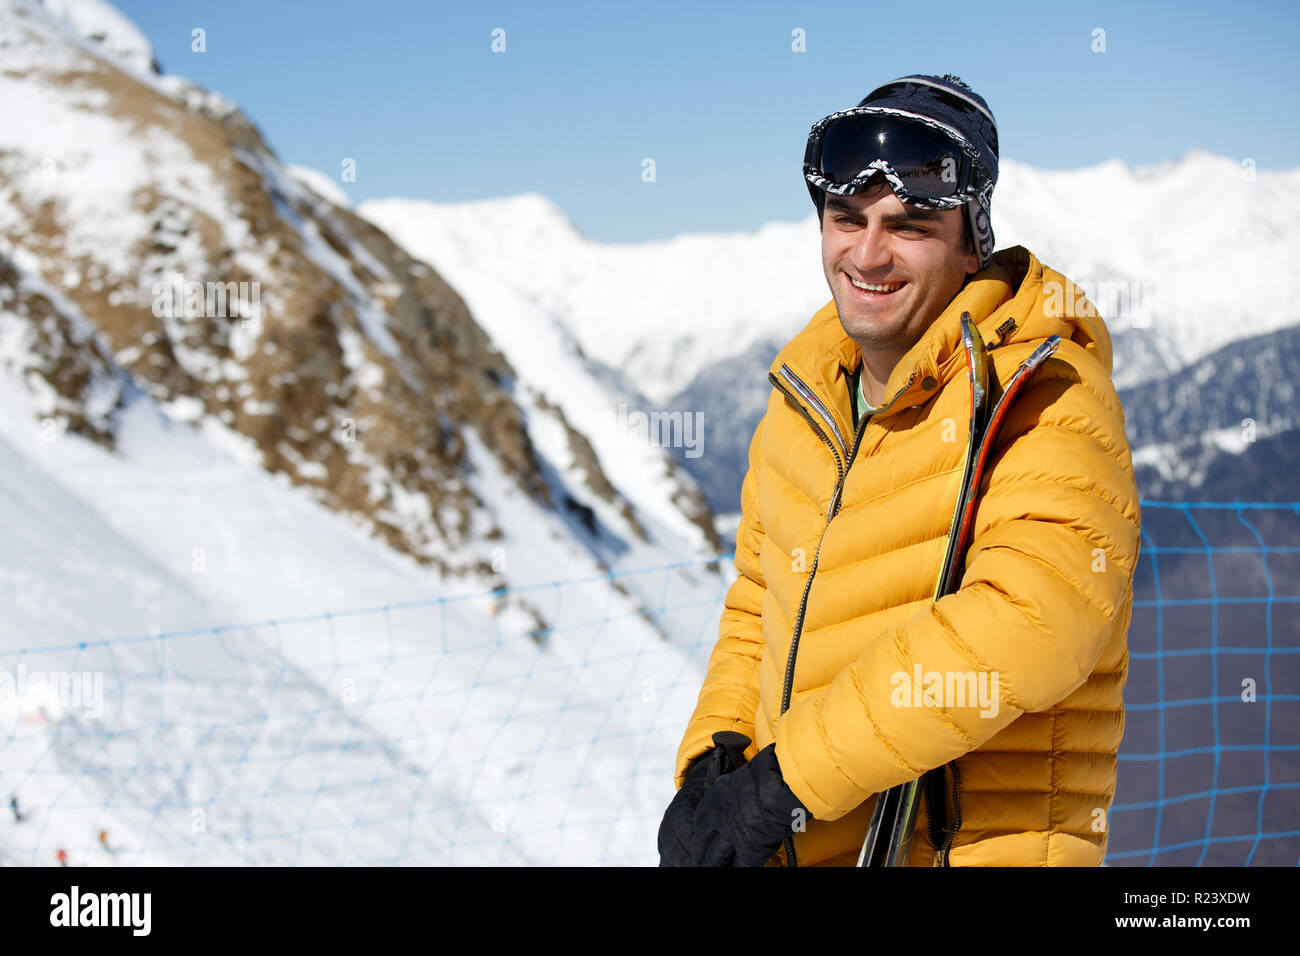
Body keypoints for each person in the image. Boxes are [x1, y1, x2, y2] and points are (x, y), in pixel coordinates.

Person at [659, 74, 1141, 867]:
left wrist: (786, 783)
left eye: (909, 226)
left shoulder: (1042, 393)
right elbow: (757, 599)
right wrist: (717, 757)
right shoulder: (805, 400)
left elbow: (1035, 621)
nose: (868, 253)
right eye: (845, 220)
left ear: (970, 240)